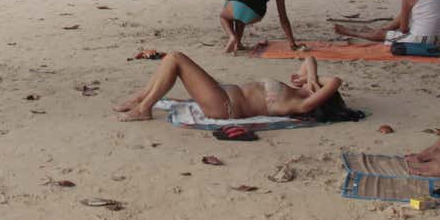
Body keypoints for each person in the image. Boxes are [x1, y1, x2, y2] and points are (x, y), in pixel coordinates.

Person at [114, 52, 347, 122]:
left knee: (175, 59)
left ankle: (144, 108)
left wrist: (316, 83)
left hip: (224, 106)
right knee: (169, 60)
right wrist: (312, 78)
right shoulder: (301, 88)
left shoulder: (302, 103)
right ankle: (140, 99)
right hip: (223, 93)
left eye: (319, 88)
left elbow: (336, 81)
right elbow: (309, 59)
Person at [218, 0, 297, 54]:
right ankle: (237, 43)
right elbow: (283, 18)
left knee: (224, 17)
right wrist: (292, 43)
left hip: (236, 4)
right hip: (255, 14)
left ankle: (232, 37)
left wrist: (227, 7)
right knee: (241, 18)